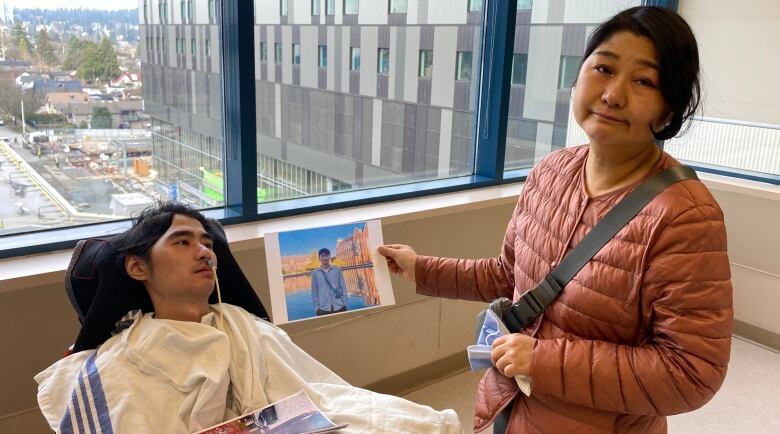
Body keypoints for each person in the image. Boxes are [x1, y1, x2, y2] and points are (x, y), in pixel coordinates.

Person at [379, 6, 732, 434]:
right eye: (603, 68)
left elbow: (691, 372)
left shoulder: (685, 217)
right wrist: (421, 267)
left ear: (668, 110)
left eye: (644, 81)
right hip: (511, 411)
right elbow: (508, 276)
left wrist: (541, 360)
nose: (613, 94)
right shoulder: (550, 171)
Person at [35, 202, 461, 434]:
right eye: (181, 242)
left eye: (206, 242)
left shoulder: (243, 325)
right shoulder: (119, 363)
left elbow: (319, 395)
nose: (204, 251)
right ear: (136, 267)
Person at [311, 247, 348, 316]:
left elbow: (343, 286)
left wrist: (345, 303)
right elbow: (314, 291)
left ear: (329, 257)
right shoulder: (315, 273)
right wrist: (316, 308)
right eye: (322, 256)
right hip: (323, 309)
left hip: (339, 306)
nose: (325, 258)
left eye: (327, 255)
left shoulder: (337, 270)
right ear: (319, 258)